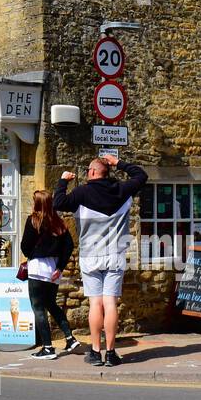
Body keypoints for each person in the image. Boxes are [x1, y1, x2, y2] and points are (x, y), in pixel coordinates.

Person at [54, 153, 148, 366]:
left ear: (94, 172)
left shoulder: (81, 193)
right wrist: (118, 163)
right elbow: (141, 175)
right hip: (115, 255)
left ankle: (96, 352)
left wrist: (63, 181)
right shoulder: (122, 190)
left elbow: (58, 202)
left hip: (90, 256)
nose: (87, 174)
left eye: (88, 170)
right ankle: (111, 353)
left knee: (95, 303)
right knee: (110, 303)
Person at [21, 188, 79, 359]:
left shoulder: (33, 221)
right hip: (54, 269)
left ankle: (47, 347)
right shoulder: (59, 223)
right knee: (51, 304)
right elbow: (68, 246)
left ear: (38, 203)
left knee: (38, 307)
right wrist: (60, 267)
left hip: (38, 268)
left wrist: (32, 253)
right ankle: (69, 337)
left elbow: (25, 246)